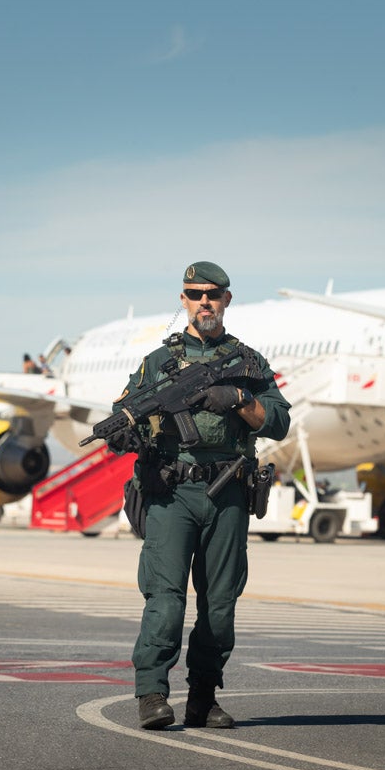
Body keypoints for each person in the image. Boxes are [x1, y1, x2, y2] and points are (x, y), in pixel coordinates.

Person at [107, 261, 291, 731]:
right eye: (194, 294)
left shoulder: (248, 362)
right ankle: (152, 694)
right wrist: (124, 435)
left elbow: (278, 420)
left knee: (220, 603)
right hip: (172, 492)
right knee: (165, 599)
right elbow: (125, 413)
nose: (204, 301)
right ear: (183, 300)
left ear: (227, 300)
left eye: (213, 293)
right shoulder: (157, 364)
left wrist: (238, 400)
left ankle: (203, 698)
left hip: (228, 491)